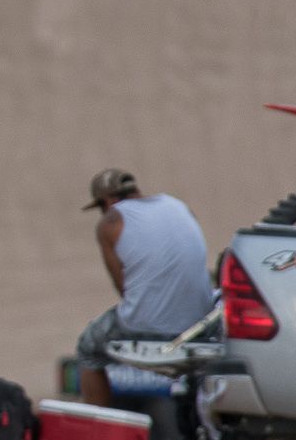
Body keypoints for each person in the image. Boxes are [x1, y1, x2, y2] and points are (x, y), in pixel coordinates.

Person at [74, 169, 216, 407]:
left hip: (147, 328)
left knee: (88, 348)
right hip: (200, 323)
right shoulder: (178, 206)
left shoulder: (110, 222)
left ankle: (100, 428)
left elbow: (124, 288)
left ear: (107, 200)